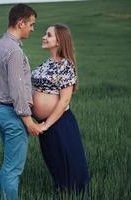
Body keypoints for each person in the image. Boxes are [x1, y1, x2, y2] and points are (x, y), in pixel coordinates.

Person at [0, 4, 43, 200]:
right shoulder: (14, 51)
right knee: (13, 169)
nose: (33, 29)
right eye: (31, 24)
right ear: (21, 23)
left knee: (8, 164)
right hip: (14, 115)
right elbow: (17, 90)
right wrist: (28, 121)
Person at [31, 24, 90, 193]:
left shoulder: (66, 66)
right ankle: (61, 192)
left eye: (48, 35)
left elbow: (64, 101)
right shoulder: (46, 63)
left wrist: (47, 124)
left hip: (59, 123)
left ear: (59, 41)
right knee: (54, 161)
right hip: (45, 124)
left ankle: (77, 194)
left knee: (69, 161)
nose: (43, 37)